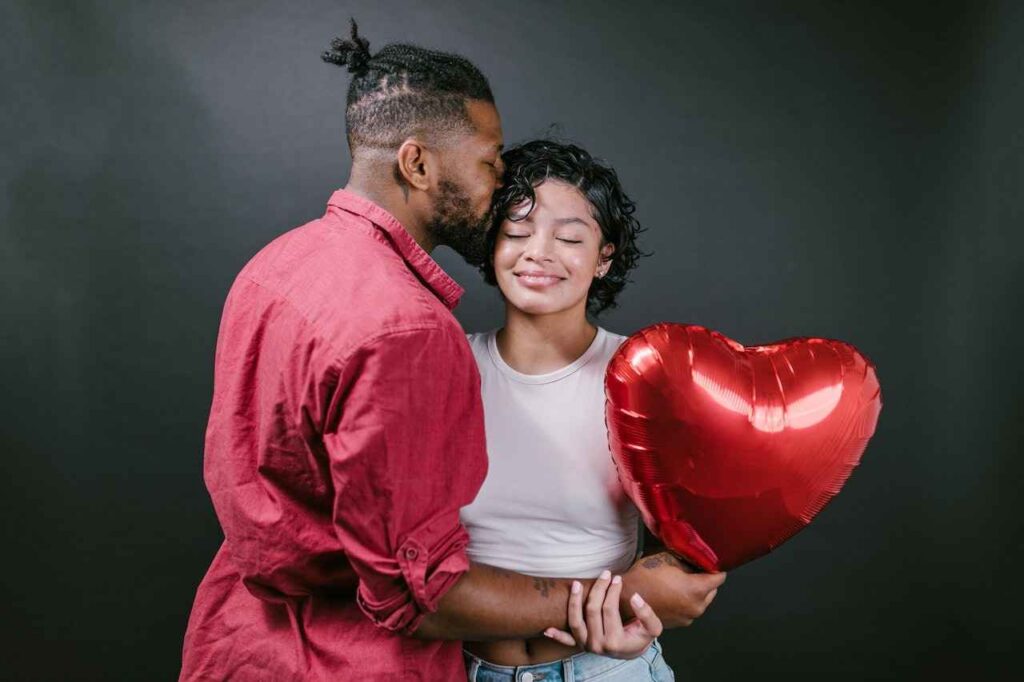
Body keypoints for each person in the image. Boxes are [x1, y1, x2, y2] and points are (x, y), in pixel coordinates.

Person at [180, 21, 720, 680]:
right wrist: (623, 594)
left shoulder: (274, 265)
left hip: (245, 646)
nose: (498, 186)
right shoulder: (413, 332)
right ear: (417, 163)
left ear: (605, 256)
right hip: (348, 661)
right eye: (491, 162)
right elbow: (418, 591)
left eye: (570, 237)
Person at [459, 140, 727, 681]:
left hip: (605, 670)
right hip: (459, 668)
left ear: (604, 257)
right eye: (516, 232)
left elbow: (687, 554)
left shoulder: (642, 376)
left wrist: (638, 607)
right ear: (491, 245)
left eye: (570, 238)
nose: (538, 252)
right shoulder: (446, 365)